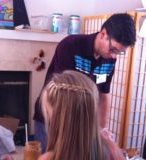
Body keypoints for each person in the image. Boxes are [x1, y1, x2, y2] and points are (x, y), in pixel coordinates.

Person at [33, 13, 136, 152]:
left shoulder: (110, 59)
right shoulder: (70, 45)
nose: (113, 56)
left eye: (119, 53)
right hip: (52, 116)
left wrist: (101, 130)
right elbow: (61, 95)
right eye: (113, 50)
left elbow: (103, 96)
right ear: (103, 34)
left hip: (79, 123)